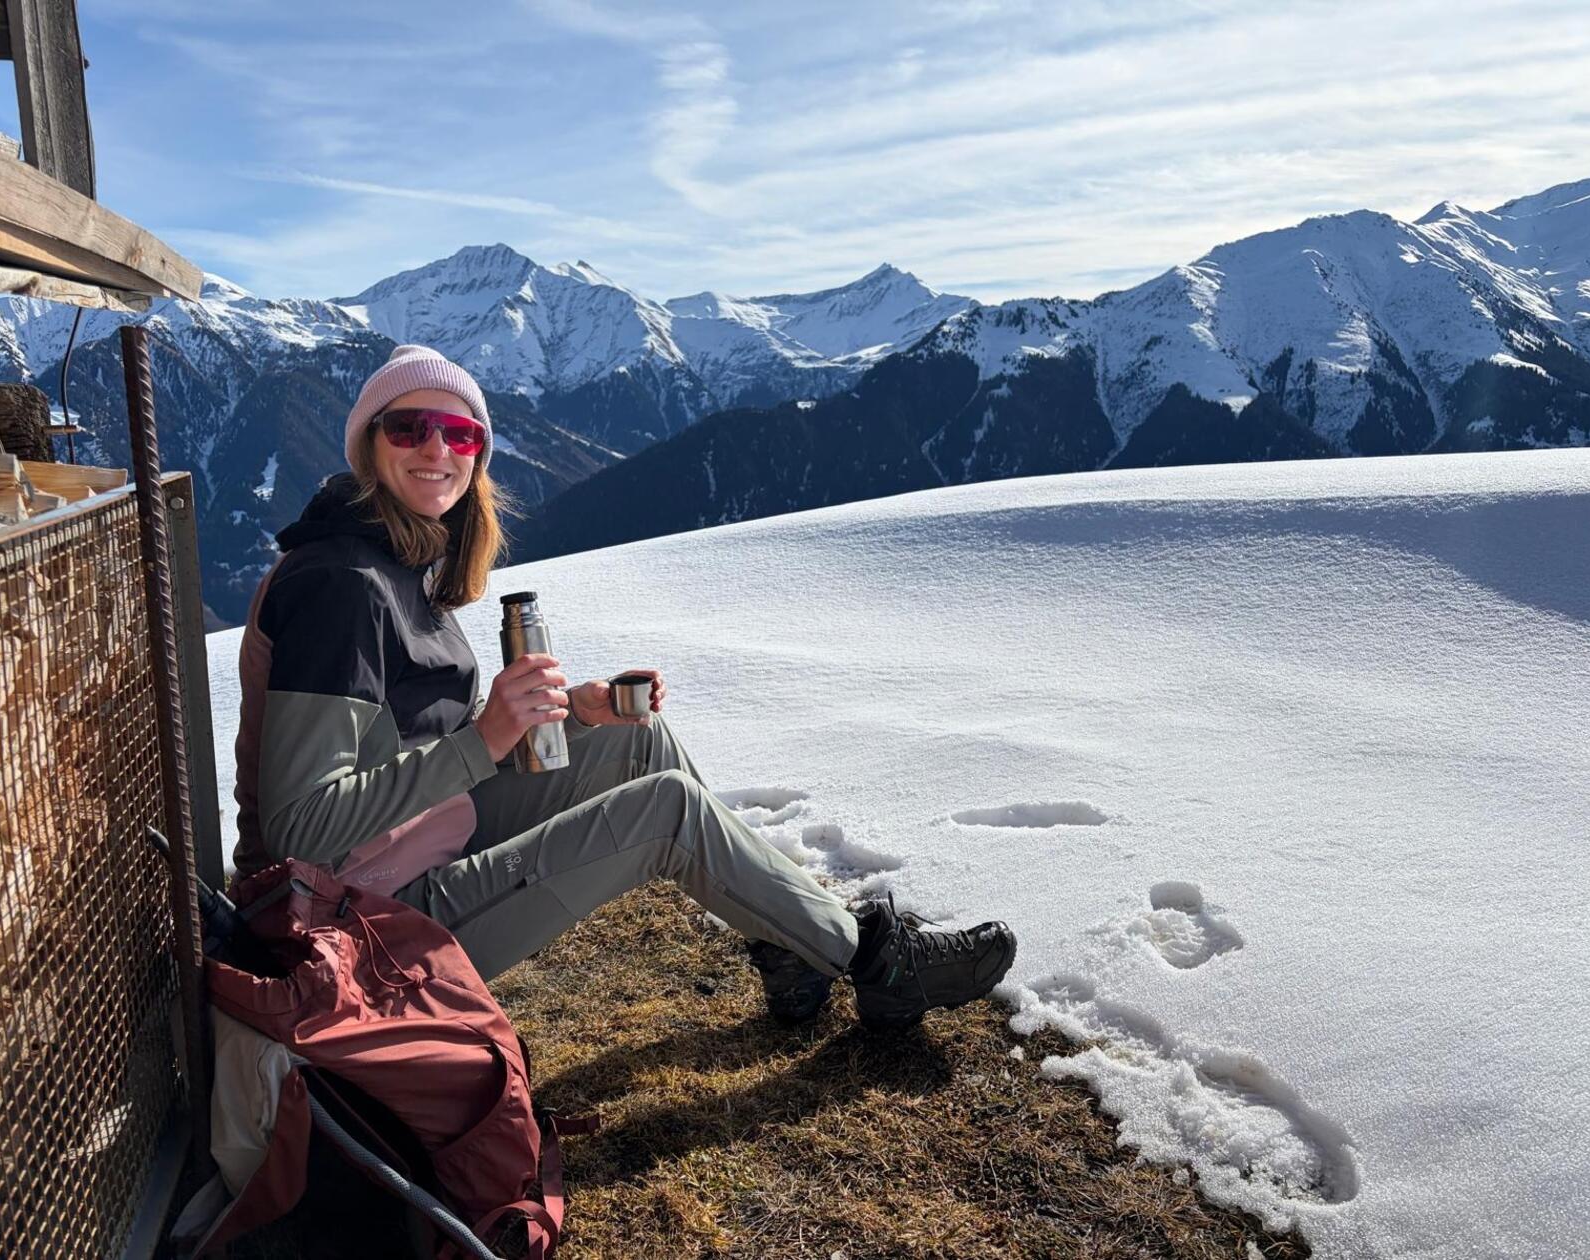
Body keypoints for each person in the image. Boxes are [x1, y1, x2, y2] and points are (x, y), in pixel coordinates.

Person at [231, 344, 1016, 1029]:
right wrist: (486, 738)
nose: (437, 447)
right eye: (409, 428)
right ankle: (881, 966)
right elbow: (305, 831)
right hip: (361, 929)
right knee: (666, 811)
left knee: (635, 736)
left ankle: (789, 944)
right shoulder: (340, 586)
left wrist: (573, 714)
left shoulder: (396, 567)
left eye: (462, 432)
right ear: (369, 446)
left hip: (415, 850)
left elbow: (406, 744)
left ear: (478, 457)